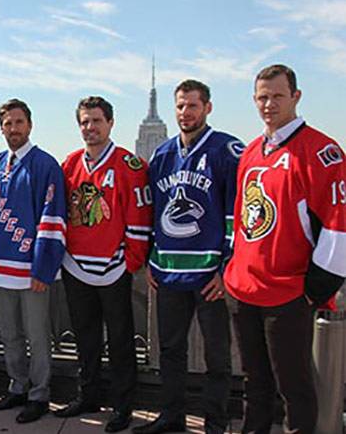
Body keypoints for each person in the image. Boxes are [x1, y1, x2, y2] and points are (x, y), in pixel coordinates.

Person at [224, 64, 346, 434]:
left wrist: (314, 291)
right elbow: (243, 219)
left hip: (288, 293)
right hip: (245, 289)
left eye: (277, 96)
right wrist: (232, 268)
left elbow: (339, 225)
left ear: (295, 96)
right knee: (253, 382)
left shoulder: (322, 151)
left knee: (294, 387)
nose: (269, 104)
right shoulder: (251, 152)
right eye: (262, 97)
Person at [134, 80, 242, 434]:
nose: (186, 112)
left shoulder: (226, 150)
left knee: (217, 357)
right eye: (180, 106)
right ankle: (171, 416)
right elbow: (152, 212)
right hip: (168, 273)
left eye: (193, 106)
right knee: (170, 350)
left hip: (209, 274)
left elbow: (236, 215)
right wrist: (152, 257)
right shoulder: (162, 155)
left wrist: (226, 269)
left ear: (207, 107)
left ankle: (215, 422)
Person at [57, 96, 152, 433]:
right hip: (76, 267)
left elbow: (140, 219)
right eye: (85, 121)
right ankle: (88, 395)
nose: (90, 127)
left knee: (122, 341)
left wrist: (131, 261)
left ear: (110, 123)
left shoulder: (130, 165)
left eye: (96, 120)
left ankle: (123, 406)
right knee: (86, 339)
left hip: (114, 268)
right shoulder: (69, 164)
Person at [0, 99, 66, 424]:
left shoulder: (45, 164)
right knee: (10, 334)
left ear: (30, 125)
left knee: (37, 335)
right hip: (2, 267)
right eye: (8, 123)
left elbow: (52, 218)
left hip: (32, 269)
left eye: (19, 122)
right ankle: (17, 386)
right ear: (1, 127)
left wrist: (43, 268)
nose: (14, 129)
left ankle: (39, 394)